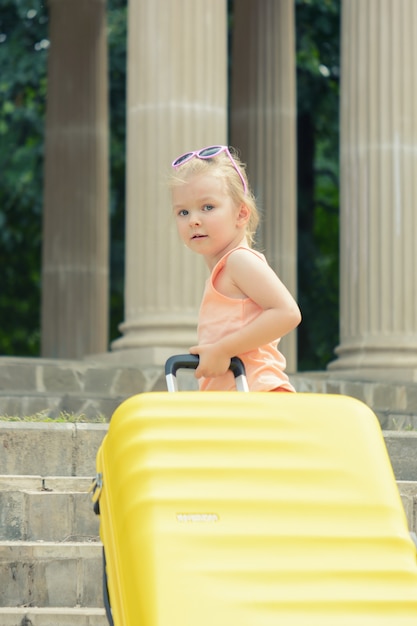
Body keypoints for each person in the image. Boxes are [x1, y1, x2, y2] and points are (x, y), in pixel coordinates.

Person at [169, 145, 301, 391]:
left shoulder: (239, 261)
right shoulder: (222, 271)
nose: (193, 220)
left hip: (257, 393)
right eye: (183, 212)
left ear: (241, 214)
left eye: (208, 207)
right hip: (237, 399)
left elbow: (287, 312)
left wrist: (223, 349)